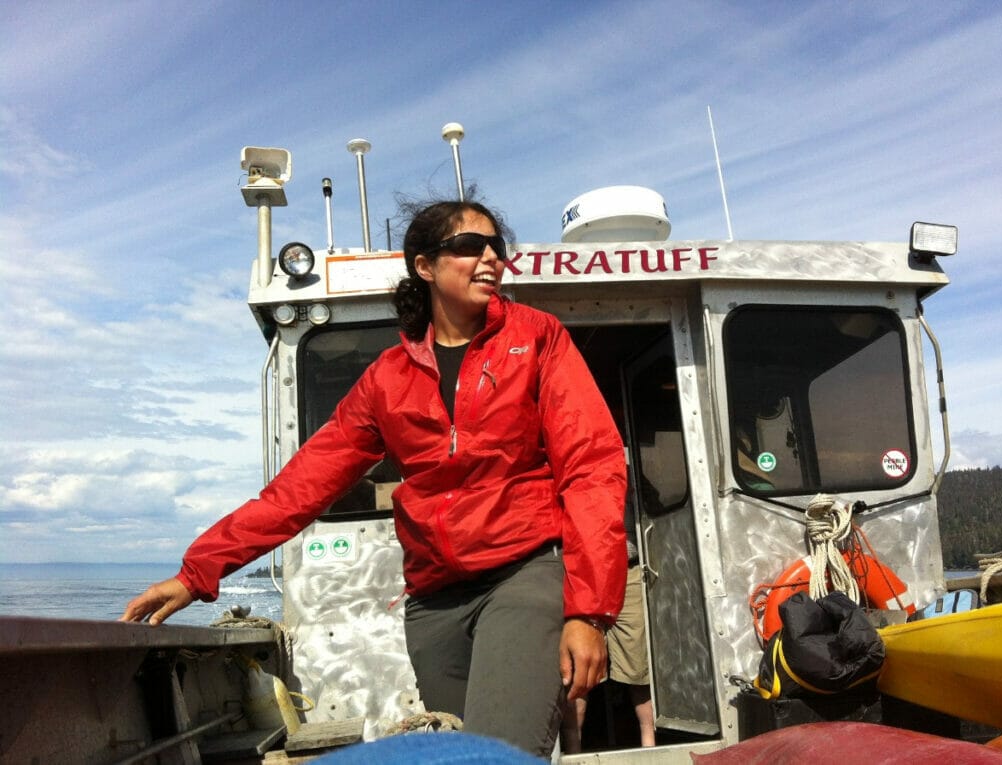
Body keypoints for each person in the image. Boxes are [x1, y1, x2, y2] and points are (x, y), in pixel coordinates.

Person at [120, 199, 628, 758]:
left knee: (498, 756)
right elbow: (297, 491)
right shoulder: (386, 380)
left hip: (522, 578)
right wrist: (196, 573)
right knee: (456, 754)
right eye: (468, 246)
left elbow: (592, 467)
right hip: (433, 604)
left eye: (495, 247)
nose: (489, 258)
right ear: (425, 266)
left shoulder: (537, 337)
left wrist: (588, 611)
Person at [560, 496, 654, 752]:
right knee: (579, 671)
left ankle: (651, 747)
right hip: (580, 578)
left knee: (639, 668)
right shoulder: (570, 479)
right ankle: (573, 751)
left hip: (628, 573)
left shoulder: (626, 476)